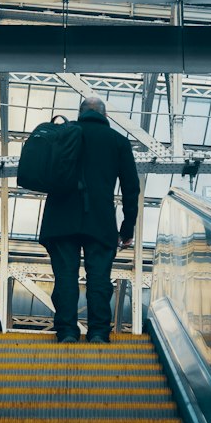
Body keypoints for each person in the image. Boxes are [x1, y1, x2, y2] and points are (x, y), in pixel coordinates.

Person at [40, 96, 140, 343]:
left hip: (60, 218)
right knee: (99, 278)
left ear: (80, 113)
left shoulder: (62, 134)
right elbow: (131, 187)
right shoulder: (117, 141)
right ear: (105, 117)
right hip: (100, 220)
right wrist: (127, 228)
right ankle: (98, 332)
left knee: (65, 275)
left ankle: (66, 332)